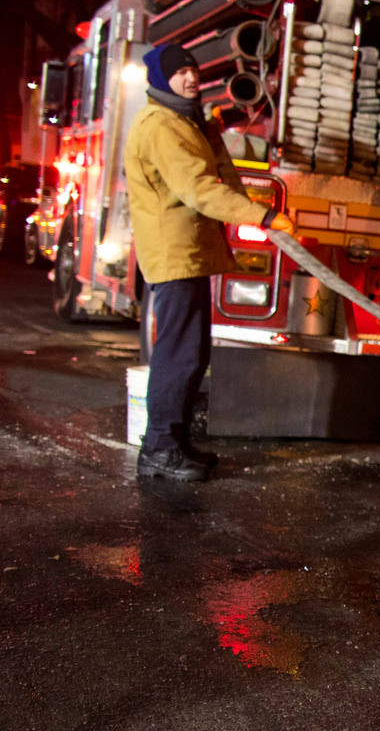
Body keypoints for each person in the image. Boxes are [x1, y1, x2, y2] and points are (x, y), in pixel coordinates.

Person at [124, 43, 294, 481]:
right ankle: (159, 448)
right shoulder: (162, 125)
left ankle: (173, 443)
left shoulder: (182, 121)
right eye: (180, 73)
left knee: (192, 354)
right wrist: (262, 214)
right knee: (178, 356)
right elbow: (197, 188)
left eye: (194, 71)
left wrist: (211, 132)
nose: (190, 78)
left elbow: (217, 173)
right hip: (175, 254)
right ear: (162, 80)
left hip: (189, 253)